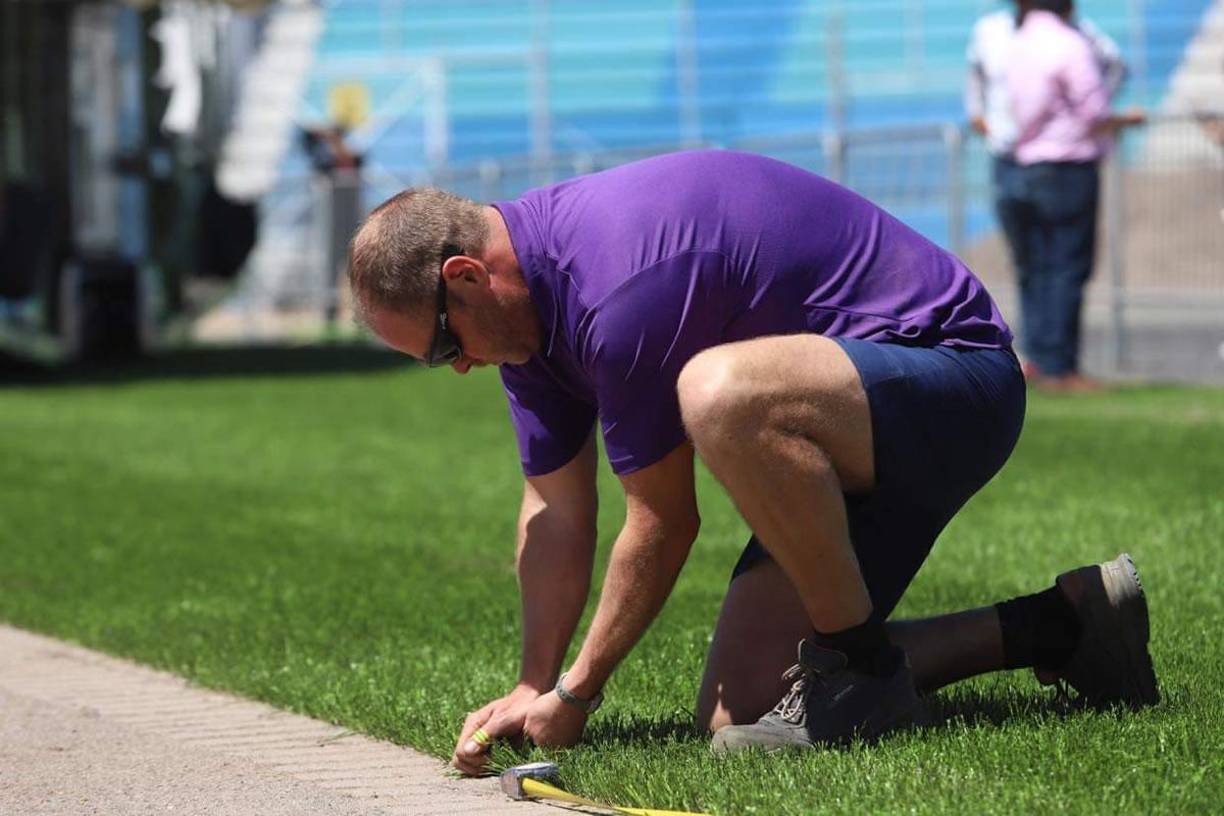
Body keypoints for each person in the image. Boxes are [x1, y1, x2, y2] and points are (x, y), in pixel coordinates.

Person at [347, 150, 1158, 771]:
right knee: (742, 718)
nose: (455, 367)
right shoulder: (524, 328)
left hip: (955, 379)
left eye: (444, 346)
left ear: (466, 276)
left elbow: (663, 524)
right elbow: (555, 510)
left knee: (718, 392)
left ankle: (862, 671)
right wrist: (533, 682)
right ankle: (1066, 624)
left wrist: (578, 694)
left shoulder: (613, 286)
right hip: (841, 422)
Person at [966, 0, 1128, 387]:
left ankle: (1037, 357)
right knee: (1066, 266)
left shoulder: (1009, 40)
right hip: (1065, 164)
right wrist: (1123, 119)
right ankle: (1059, 365)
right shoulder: (1072, 42)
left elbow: (982, 99)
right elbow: (1094, 108)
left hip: (1014, 162)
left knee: (1032, 266)